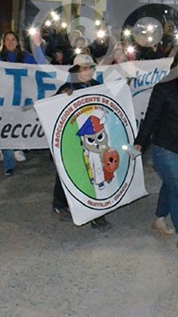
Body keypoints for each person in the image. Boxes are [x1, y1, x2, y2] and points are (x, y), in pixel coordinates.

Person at [133, 53, 178, 252]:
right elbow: (151, 117)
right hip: (165, 146)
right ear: (174, 66)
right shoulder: (164, 88)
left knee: (171, 184)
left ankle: (159, 219)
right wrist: (140, 143)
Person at [51, 53, 111, 231]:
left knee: (92, 173)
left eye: (91, 67)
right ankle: (60, 203)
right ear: (77, 70)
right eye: (85, 68)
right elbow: (53, 108)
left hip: (93, 138)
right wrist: (62, 96)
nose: (88, 71)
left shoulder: (97, 86)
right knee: (69, 170)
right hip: (73, 137)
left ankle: (96, 214)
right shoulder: (68, 87)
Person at [0, 30, 47, 176]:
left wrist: (38, 47)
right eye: (7, 40)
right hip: (4, 100)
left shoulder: (26, 57)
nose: (10, 42)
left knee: (18, 126)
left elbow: (41, 65)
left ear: (18, 42)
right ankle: (9, 163)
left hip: (22, 99)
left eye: (13, 40)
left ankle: (17, 148)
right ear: (3, 42)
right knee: (6, 129)